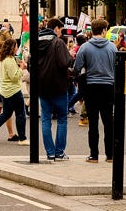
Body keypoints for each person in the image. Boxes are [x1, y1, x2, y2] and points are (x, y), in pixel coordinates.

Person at [73, 18, 117, 163]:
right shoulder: (112, 47)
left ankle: (94, 155)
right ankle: (110, 155)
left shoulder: (85, 47)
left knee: (93, 123)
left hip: (91, 86)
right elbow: (118, 68)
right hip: (108, 86)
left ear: (92, 31)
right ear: (104, 31)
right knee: (108, 122)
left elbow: (77, 67)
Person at [0, 38, 29, 146]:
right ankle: (22, 138)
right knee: (20, 114)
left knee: (6, 113)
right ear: (12, 48)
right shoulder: (9, 60)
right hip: (13, 90)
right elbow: (14, 76)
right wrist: (22, 69)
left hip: (4, 90)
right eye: (16, 46)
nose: (17, 48)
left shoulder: (3, 58)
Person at [38, 18, 72, 161]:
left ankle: (50, 152)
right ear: (56, 29)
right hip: (58, 85)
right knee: (62, 119)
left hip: (42, 86)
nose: (61, 33)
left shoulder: (36, 42)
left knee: (45, 119)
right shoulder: (58, 43)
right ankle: (59, 152)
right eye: (61, 30)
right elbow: (65, 62)